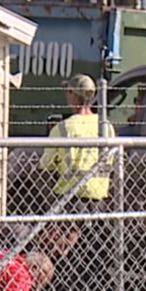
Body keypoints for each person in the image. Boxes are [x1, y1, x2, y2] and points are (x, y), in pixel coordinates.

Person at [39, 74, 115, 211]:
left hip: (68, 201)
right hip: (100, 201)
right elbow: (113, 164)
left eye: (68, 91)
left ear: (73, 95)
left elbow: (46, 167)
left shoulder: (62, 128)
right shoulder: (106, 127)